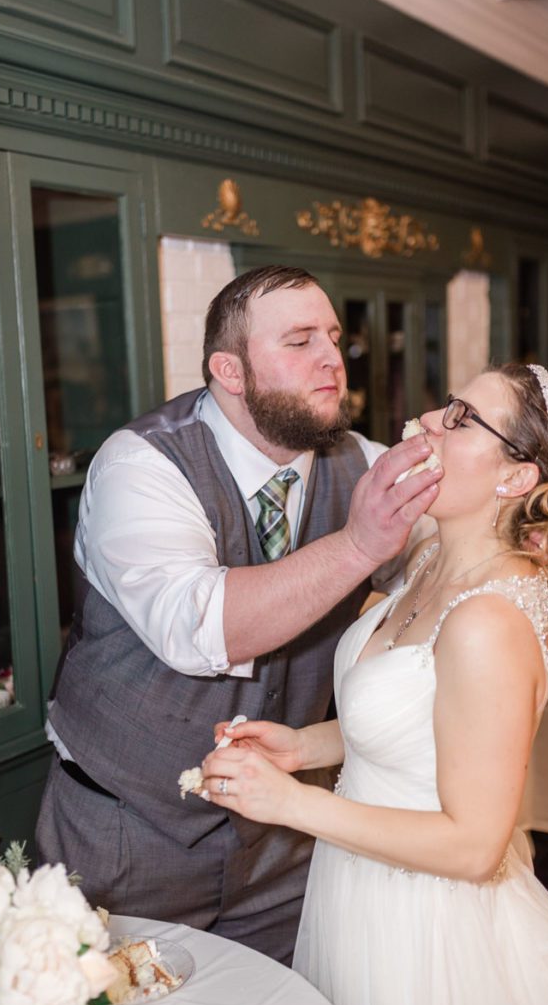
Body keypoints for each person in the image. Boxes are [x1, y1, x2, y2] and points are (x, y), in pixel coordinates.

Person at [201, 364, 548, 1005]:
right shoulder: (432, 559)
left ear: (515, 477)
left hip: (427, 927)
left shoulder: (488, 622)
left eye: (461, 417)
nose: (427, 420)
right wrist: (300, 747)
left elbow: (473, 845)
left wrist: (290, 804)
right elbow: (415, 722)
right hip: (361, 888)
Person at [36, 264, 443, 965]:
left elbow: (443, 573)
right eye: (299, 341)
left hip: (281, 839)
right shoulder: (141, 465)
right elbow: (199, 629)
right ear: (229, 370)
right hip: (128, 832)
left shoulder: (361, 463)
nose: (331, 358)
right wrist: (357, 547)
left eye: (333, 338)